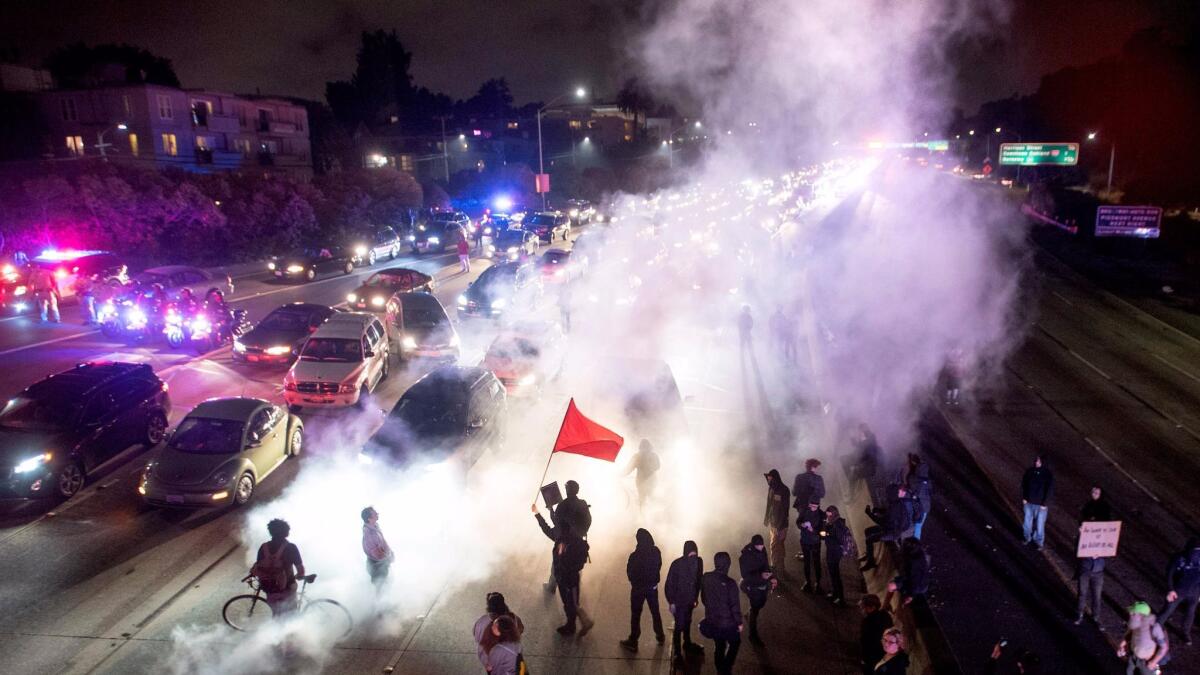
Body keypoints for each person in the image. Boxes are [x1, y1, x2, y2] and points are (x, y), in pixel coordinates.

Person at [533, 504, 593, 636]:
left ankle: (574, 625)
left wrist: (537, 514)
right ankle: (579, 622)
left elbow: (546, 528)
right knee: (572, 601)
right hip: (571, 576)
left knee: (570, 603)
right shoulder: (576, 538)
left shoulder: (560, 538)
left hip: (566, 578)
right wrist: (547, 512)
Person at [620, 528, 666, 651]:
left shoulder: (635, 555)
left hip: (638, 590)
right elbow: (659, 565)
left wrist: (635, 583)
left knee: (636, 615)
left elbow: (630, 572)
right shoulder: (656, 552)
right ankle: (660, 635)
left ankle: (633, 640)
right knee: (655, 612)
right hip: (652, 588)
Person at [544, 480, 592, 593]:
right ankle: (575, 583)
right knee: (576, 560)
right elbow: (588, 520)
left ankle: (551, 586)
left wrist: (551, 510)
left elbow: (556, 521)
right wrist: (581, 532)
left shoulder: (562, 505)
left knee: (558, 562)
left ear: (567, 490)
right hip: (578, 540)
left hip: (564, 542)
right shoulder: (582, 503)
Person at [700, 551, 743, 675]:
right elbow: (735, 606)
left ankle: (720, 670)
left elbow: (703, 598)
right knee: (735, 643)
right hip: (728, 624)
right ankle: (726, 669)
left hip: (712, 620)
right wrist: (739, 622)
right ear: (728, 565)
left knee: (719, 646)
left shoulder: (706, 577)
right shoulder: (730, 583)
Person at [251, 518, 305, 616]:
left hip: (269, 588)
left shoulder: (264, 547)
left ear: (270, 532)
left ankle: (277, 628)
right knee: (290, 615)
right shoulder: (291, 547)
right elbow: (300, 570)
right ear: (287, 533)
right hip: (287, 588)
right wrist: (299, 576)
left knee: (276, 614)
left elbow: (258, 566)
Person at [665, 540, 704, 665]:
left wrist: (695, 598)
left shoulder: (699, 562)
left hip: (690, 601)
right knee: (679, 626)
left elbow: (698, 580)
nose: (693, 557)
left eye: (695, 554)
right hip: (679, 601)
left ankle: (687, 643)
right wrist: (671, 602)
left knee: (687, 622)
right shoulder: (676, 565)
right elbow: (669, 585)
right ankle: (677, 653)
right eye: (691, 554)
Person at [1159, 536, 1200, 646]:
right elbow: (1169, 574)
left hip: (1194, 593)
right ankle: (1156, 630)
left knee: (1190, 613)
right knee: (1167, 611)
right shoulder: (1179, 557)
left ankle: (1186, 633)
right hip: (1178, 591)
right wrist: (1170, 589)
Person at [862, 484, 913, 572]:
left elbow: (882, 522)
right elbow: (888, 513)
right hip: (891, 527)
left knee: (869, 540)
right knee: (868, 531)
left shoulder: (894, 507)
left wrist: (869, 514)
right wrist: (879, 510)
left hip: (892, 533)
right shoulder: (897, 502)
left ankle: (870, 562)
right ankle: (869, 555)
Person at [738, 533, 777, 644]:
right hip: (752, 586)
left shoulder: (762, 550)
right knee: (755, 608)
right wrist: (760, 576)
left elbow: (766, 565)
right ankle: (753, 635)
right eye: (759, 546)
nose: (761, 547)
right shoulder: (745, 556)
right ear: (753, 545)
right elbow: (745, 575)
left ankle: (749, 614)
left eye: (762, 545)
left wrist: (771, 577)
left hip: (762, 584)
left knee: (761, 603)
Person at [473, 592, 524, 672]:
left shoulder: (482, 621)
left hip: (489, 660)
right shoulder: (513, 618)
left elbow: (476, 636)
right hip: (510, 660)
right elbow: (521, 629)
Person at [1118, 601, 1169, 674]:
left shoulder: (1154, 628)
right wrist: (1121, 646)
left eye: (1133, 613)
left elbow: (1164, 647)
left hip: (1146, 662)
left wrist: (1153, 662)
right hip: (1133, 656)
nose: (1130, 614)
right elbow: (1128, 636)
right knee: (1128, 672)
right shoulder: (1134, 624)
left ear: (1141, 616)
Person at [1021, 455, 1054, 550]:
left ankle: (1039, 542)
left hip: (1041, 505)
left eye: (1039, 461)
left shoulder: (1048, 474)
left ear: (1043, 462)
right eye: (1036, 461)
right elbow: (1024, 484)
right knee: (1027, 522)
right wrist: (1024, 497)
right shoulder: (1030, 471)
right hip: (1029, 502)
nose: (1036, 462)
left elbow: (1050, 490)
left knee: (1040, 524)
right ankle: (1027, 538)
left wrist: (1045, 503)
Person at [887, 538, 931, 608]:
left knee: (891, 586)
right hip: (913, 579)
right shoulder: (918, 554)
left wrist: (911, 596)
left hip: (918, 585)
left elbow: (915, 579)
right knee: (895, 583)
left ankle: (885, 605)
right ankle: (887, 604)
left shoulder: (914, 562)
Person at [763, 469, 791, 573]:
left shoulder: (784, 490)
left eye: (770, 478)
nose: (769, 480)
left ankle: (776, 567)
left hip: (781, 525)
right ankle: (778, 566)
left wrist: (780, 526)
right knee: (776, 545)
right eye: (768, 478)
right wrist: (766, 519)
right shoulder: (771, 489)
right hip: (773, 524)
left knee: (776, 545)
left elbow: (785, 509)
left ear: (775, 478)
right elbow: (768, 504)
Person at [823, 505, 852, 606]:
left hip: (834, 552)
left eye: (829, 515)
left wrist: (826, 534)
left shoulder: (837, 525)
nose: (827, 517)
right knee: (833, 574)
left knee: (835, 575)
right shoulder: (834, 523)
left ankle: (841, 598)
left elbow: (837, 540)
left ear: (833, 514)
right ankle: (836, 594)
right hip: (833, 551)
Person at [900, 453, 932, 540]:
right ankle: (915, 543)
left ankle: (912, 544)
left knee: (913, 524)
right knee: (918, 526)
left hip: (918, 506)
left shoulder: (913, 478)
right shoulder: (927, 480)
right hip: (926, 506)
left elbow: (906, 488)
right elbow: (930, 492)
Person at [859, 594, 893, 675]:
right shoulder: (886, 615)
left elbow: (865, 642)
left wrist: (864, 659)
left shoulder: (867, 622)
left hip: (873, 656)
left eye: (864, 607)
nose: (862, 610)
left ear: (872, 607)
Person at [361, 506, 393, 588]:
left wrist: (390, 552)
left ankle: (384, 599)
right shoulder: (368, 533)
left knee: (386, 585)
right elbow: (377, 553)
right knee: (380, 588)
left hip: (382, 563)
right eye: (375, 513)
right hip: (376, 566)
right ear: (369, 519)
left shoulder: (375, 526)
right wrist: (387, 558)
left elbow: (382, 540)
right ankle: (378, 601)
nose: (377, 514)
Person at [624, 439, 661, 507]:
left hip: (645, 481)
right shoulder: (652, 455)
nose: (645, 451)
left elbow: (628, 469)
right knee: (649, 498)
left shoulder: (638, 456)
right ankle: (654, 512)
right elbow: (658, 466)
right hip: (649, 481)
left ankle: (645, 514)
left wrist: (620, 474)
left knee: (643, 499)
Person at [797, 498, 823, 592]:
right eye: (811, 506)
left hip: (815, 542)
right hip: (805, 541)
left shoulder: (821, 515)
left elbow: (823, 532)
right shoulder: (804, 512)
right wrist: (802, 525)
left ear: (818, 506)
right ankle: (808, 581)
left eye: (815, 507)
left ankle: (818, 583)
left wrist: (814, 530)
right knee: (807, 563)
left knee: (816, 563)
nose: (812, 508)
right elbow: (798, 522)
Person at [1074, 553, 1105, 626]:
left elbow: (1109, 551)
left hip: (1098, 572)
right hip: (1085, 571)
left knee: (1097, 596)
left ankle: (1095, 617)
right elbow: (1079, 552)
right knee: (1082, 594)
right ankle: (1079, 614)